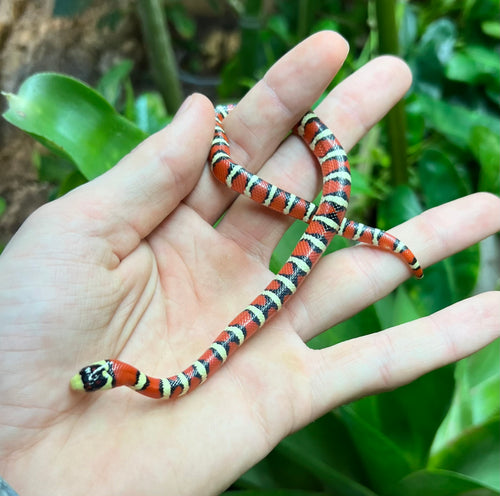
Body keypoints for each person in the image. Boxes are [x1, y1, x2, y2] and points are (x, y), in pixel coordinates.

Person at [0, 31, 498, 496]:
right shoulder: (157, 385)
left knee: (302, 194)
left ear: (112, 369)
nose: (97, 377)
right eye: (103, 377)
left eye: (101, 373)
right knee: (314, 213)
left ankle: (297, 183)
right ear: (115, 374)